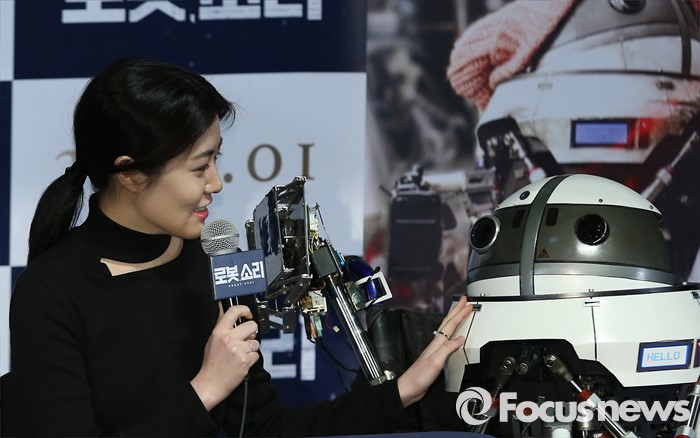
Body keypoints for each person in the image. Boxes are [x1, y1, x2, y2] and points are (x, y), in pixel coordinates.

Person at [0, 57, 474, 437]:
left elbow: (266, 427)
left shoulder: (211, 266)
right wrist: (206, 389)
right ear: (131, 173)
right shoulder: (51, 294)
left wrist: (403, 392)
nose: (216, 183)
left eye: (216, 159)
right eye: (199, 166)